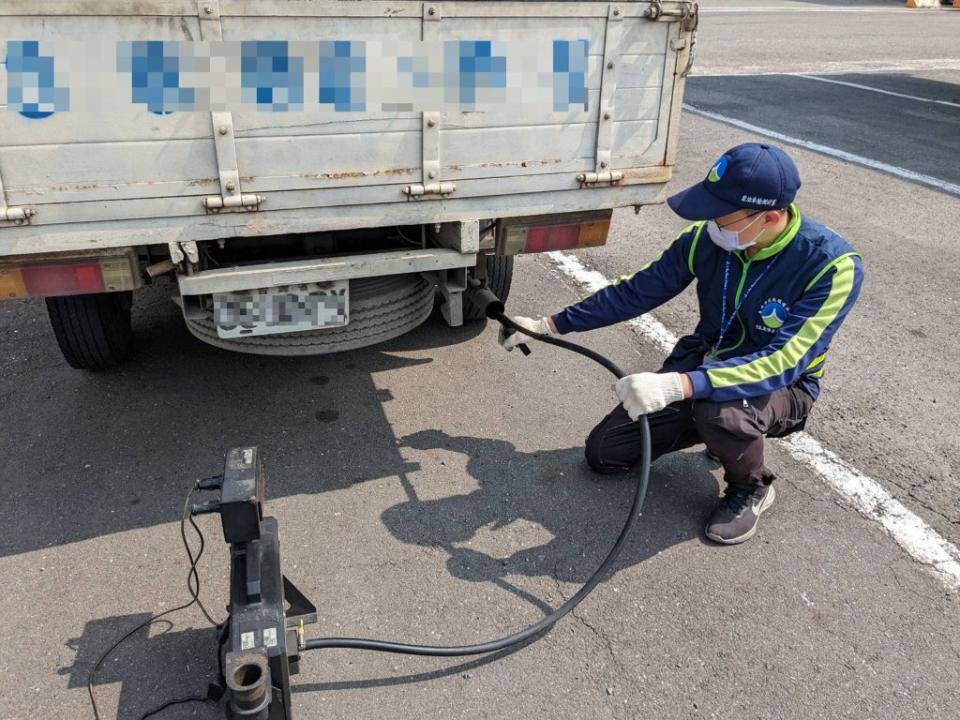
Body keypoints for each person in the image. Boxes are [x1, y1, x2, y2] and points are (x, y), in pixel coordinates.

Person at [499, 143, 864, 544]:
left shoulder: (831, 266)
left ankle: (751, 486)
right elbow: (634, 293)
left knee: (722, 414)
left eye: (720, 215)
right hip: (704, 362)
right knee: (605, 453)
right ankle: (720, 433)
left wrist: (679, 386)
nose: (711, 223)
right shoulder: (706, 240)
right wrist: (547, 325)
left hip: (781, 386)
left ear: (770, 217)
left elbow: (783, 361)